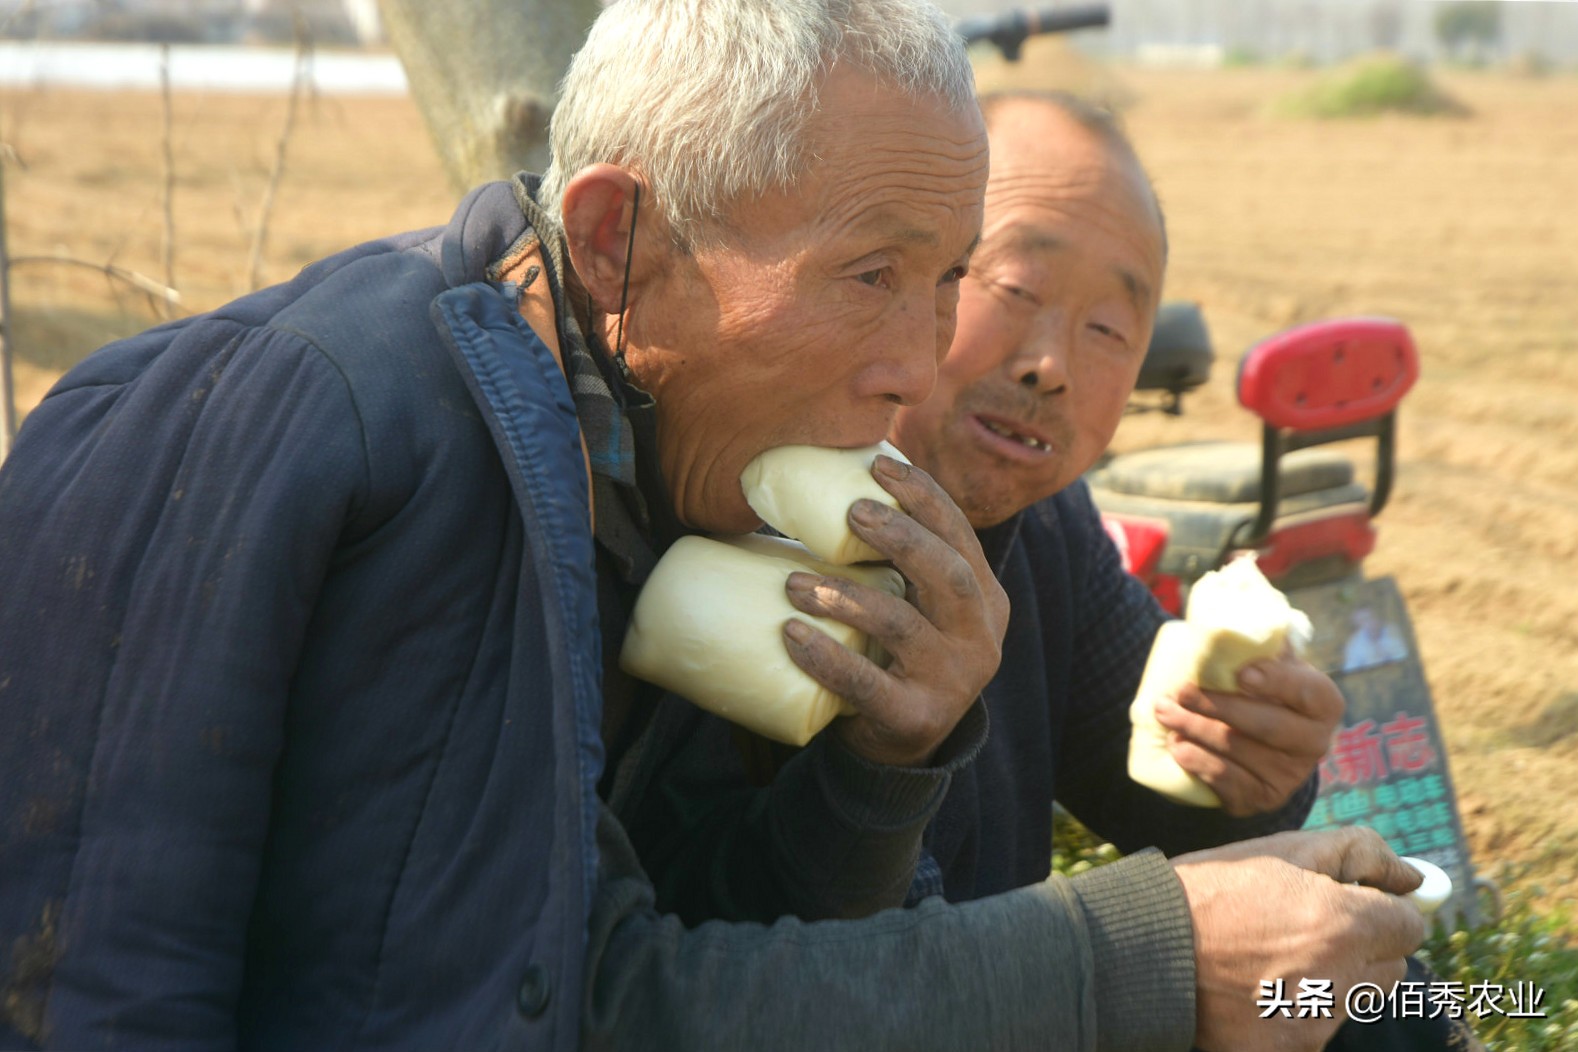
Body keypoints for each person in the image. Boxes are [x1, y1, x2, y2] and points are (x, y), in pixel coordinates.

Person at [0, 4, 1423, 1050]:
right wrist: (1145, 960)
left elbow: (705, 928)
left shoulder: (656, 490)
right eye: (869, 275)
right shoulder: (387, 437)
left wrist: (888, 757)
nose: (925, 366)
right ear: (621, 243)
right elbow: (560, 1003)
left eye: (938, 282)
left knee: (1399, 1005)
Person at [620, 91, 1446, 1051]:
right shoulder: (740, 533)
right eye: (1013, 288)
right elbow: (738, 951)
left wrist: (1248, 770)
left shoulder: (1045, 524)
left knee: (1374, 992)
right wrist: (879, 766)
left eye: (1108, 332)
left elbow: (1151, 779)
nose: (1051, 364)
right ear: (908, 275)